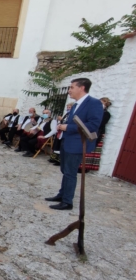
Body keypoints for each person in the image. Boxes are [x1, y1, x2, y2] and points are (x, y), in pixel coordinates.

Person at [45, 78, 103, 210]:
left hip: (77, 144)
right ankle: (62, 194)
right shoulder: (76, 105)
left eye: (71, 87)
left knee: (70, 172)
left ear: (81, 88)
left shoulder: (94, 103)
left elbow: (93, 125)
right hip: (67, 142)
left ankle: (67, 201)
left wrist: (67, 128)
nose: (69, 90)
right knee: (64, 170)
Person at [83, 97, 112, 171]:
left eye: (102, 103)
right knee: (84, 148)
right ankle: (79, 166)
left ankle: (86, 168)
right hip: (88, 132)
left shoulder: (106, 114)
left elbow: (101, 123)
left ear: (106, 104)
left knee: (91, 150)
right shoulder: (94, 112)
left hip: (97, 133)